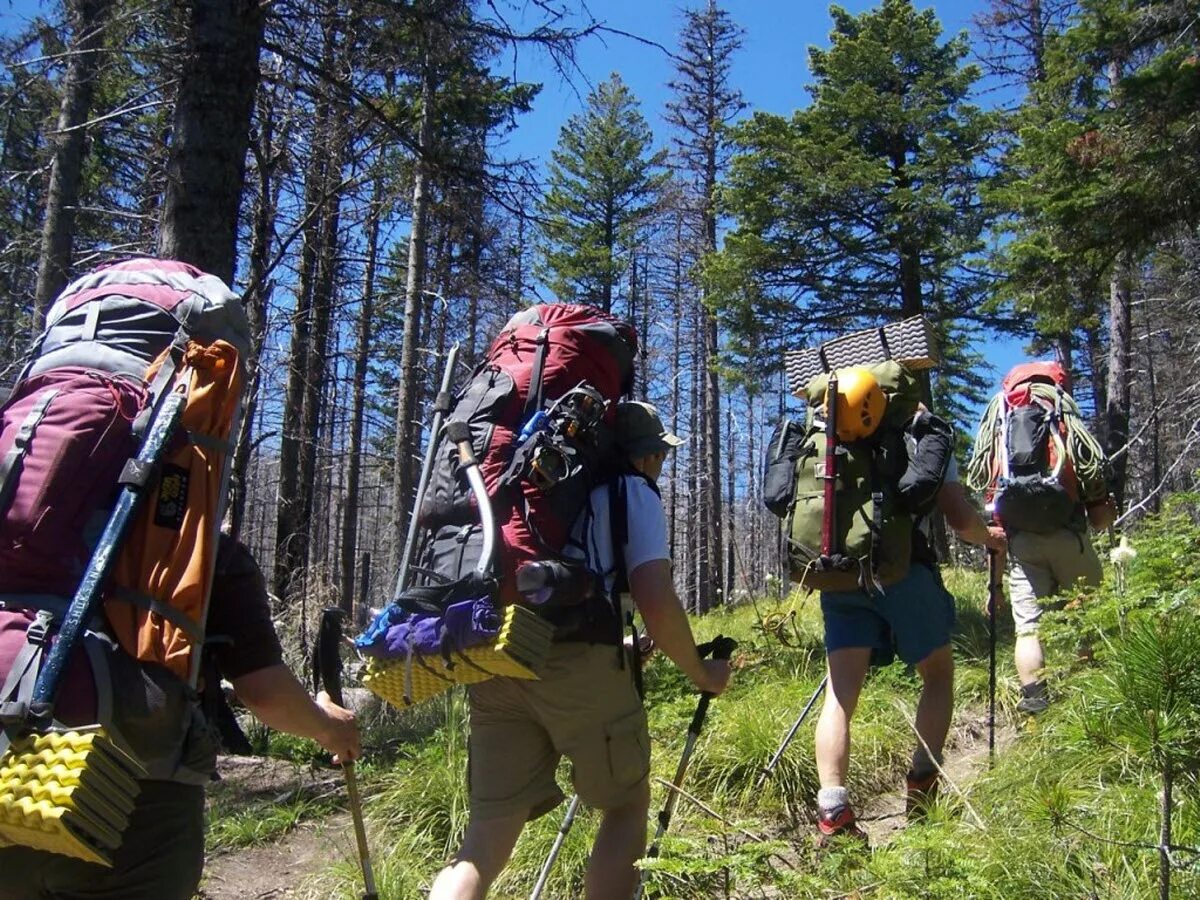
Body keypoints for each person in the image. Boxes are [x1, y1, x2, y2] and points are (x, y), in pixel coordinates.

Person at [429, 401, 732, 900]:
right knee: (626, 805)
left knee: (482, 842)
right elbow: (654, 595)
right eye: (658, 453)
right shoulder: (630, 491)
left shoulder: (534, 487)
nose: (660, 463)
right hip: (574, 661)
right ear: (643, 454)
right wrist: (700, 672)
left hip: (498, 657)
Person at [0, 536, 361, 900]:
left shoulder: (21, 524)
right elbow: (263, 691)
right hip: (135, 807)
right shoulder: (198, 547)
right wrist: (329, 727)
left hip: (12, 778)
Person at [813, 414, 1006, 845]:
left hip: (840, 573)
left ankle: (833, 811)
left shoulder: (830, 428)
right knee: (937, 675)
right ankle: (923, 787)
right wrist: (989, 537)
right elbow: (957, 516)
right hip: (903, 570)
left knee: (840, 695)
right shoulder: (921, 429)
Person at [986, 487, 1115, 714]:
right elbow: (1100, 519)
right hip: (1071, 540)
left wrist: (995, 586)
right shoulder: (1073, 449)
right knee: (1086, 618)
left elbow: (995, 534)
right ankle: (1089, 697)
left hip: (1023, 546)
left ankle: (1036, 707)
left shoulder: (1000, 451)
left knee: (1028, 630)